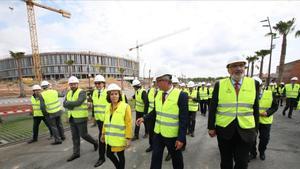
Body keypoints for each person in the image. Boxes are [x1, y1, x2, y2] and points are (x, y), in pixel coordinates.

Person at [208, 56, 259, 169]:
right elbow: (213, 107)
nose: (238, 68)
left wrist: (256, 129)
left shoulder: (253, 83)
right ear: (228, 69)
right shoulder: (219, 84)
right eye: (235, 66)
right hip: (224, 129)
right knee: (226, 161)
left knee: (242, 161)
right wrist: (211, 127)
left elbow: (255, 108)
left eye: (241, 65)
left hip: (246, 129)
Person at [136, 70, 188, 169]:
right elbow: (156, 111)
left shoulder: (181, 95)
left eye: (157, 81)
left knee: (176, 159)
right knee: (155, 158)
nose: (156, 84)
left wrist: (181, 138)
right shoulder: (158, 94)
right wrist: (144, 118)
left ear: (165, 80)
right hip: (158, 133)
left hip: (172, 135)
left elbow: (184, 119)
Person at [63, 76, 98, 162]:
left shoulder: (82, 92)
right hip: (72, 118)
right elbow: (64, 104)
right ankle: (76, 153)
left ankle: (95, 142)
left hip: (81, 117)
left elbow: (78, 102)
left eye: (74, 84)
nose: (73, 85)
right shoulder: (68, 93)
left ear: (77, 84)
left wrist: (69, 103)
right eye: (71, 84)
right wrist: (70, 104)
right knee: (74, 137)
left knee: (84, 135)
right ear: (69, 85)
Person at [101, 83, 132, 169]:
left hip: (119, 139)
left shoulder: (125, 107)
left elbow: (128, 123)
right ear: (109, 96)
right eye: (112, 94)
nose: (114, 96)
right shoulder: (107, 107)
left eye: (116, 94)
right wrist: (103, 134)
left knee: (120, 156)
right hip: (109, 138)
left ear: (119, 95)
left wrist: (128, 138)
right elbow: (105, 122)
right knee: (109, 154)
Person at [249, 77, 278, 161]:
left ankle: (262, 152)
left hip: (266, 121)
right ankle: (253, 153)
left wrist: (267, 113)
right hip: (252, 121)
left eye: (256, 86)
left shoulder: (270, 93)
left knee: (264, 138)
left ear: (261, 85)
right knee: (252, 139)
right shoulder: (248, 95)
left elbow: (275, 107)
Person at [40, 80, 65, 145]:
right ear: (48, 86)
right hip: (58, 111)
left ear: (42, 87)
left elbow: (42, 107)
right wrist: (64, 91)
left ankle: (57, 140)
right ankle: (62, 136)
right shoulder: (54, 91)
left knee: (53, 126)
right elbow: (62, 95)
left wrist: (45, 114)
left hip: (50, 113)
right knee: (59, 124)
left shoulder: (42, 94)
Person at [92, 75, 108, 167]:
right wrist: (94, 116)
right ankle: (107, 152)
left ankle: (101, 158)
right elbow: (95, 106)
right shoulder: (94, 92)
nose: (97, 85)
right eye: (96, 83)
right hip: (99, 120)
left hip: (106, 121)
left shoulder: (107, 93)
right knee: (103, 137)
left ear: (103, 84)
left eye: (99, 83)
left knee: (101, 138)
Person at [145, 79, 158, 153]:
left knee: (159, 133)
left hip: (159, 115)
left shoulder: (162, 91)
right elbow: (147, 103)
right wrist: (145, 113)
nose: (155, 84)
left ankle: (168, 150)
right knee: (151, 131)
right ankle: (152, 146)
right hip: (150, 115)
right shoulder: (150, 91)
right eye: (154, 82)